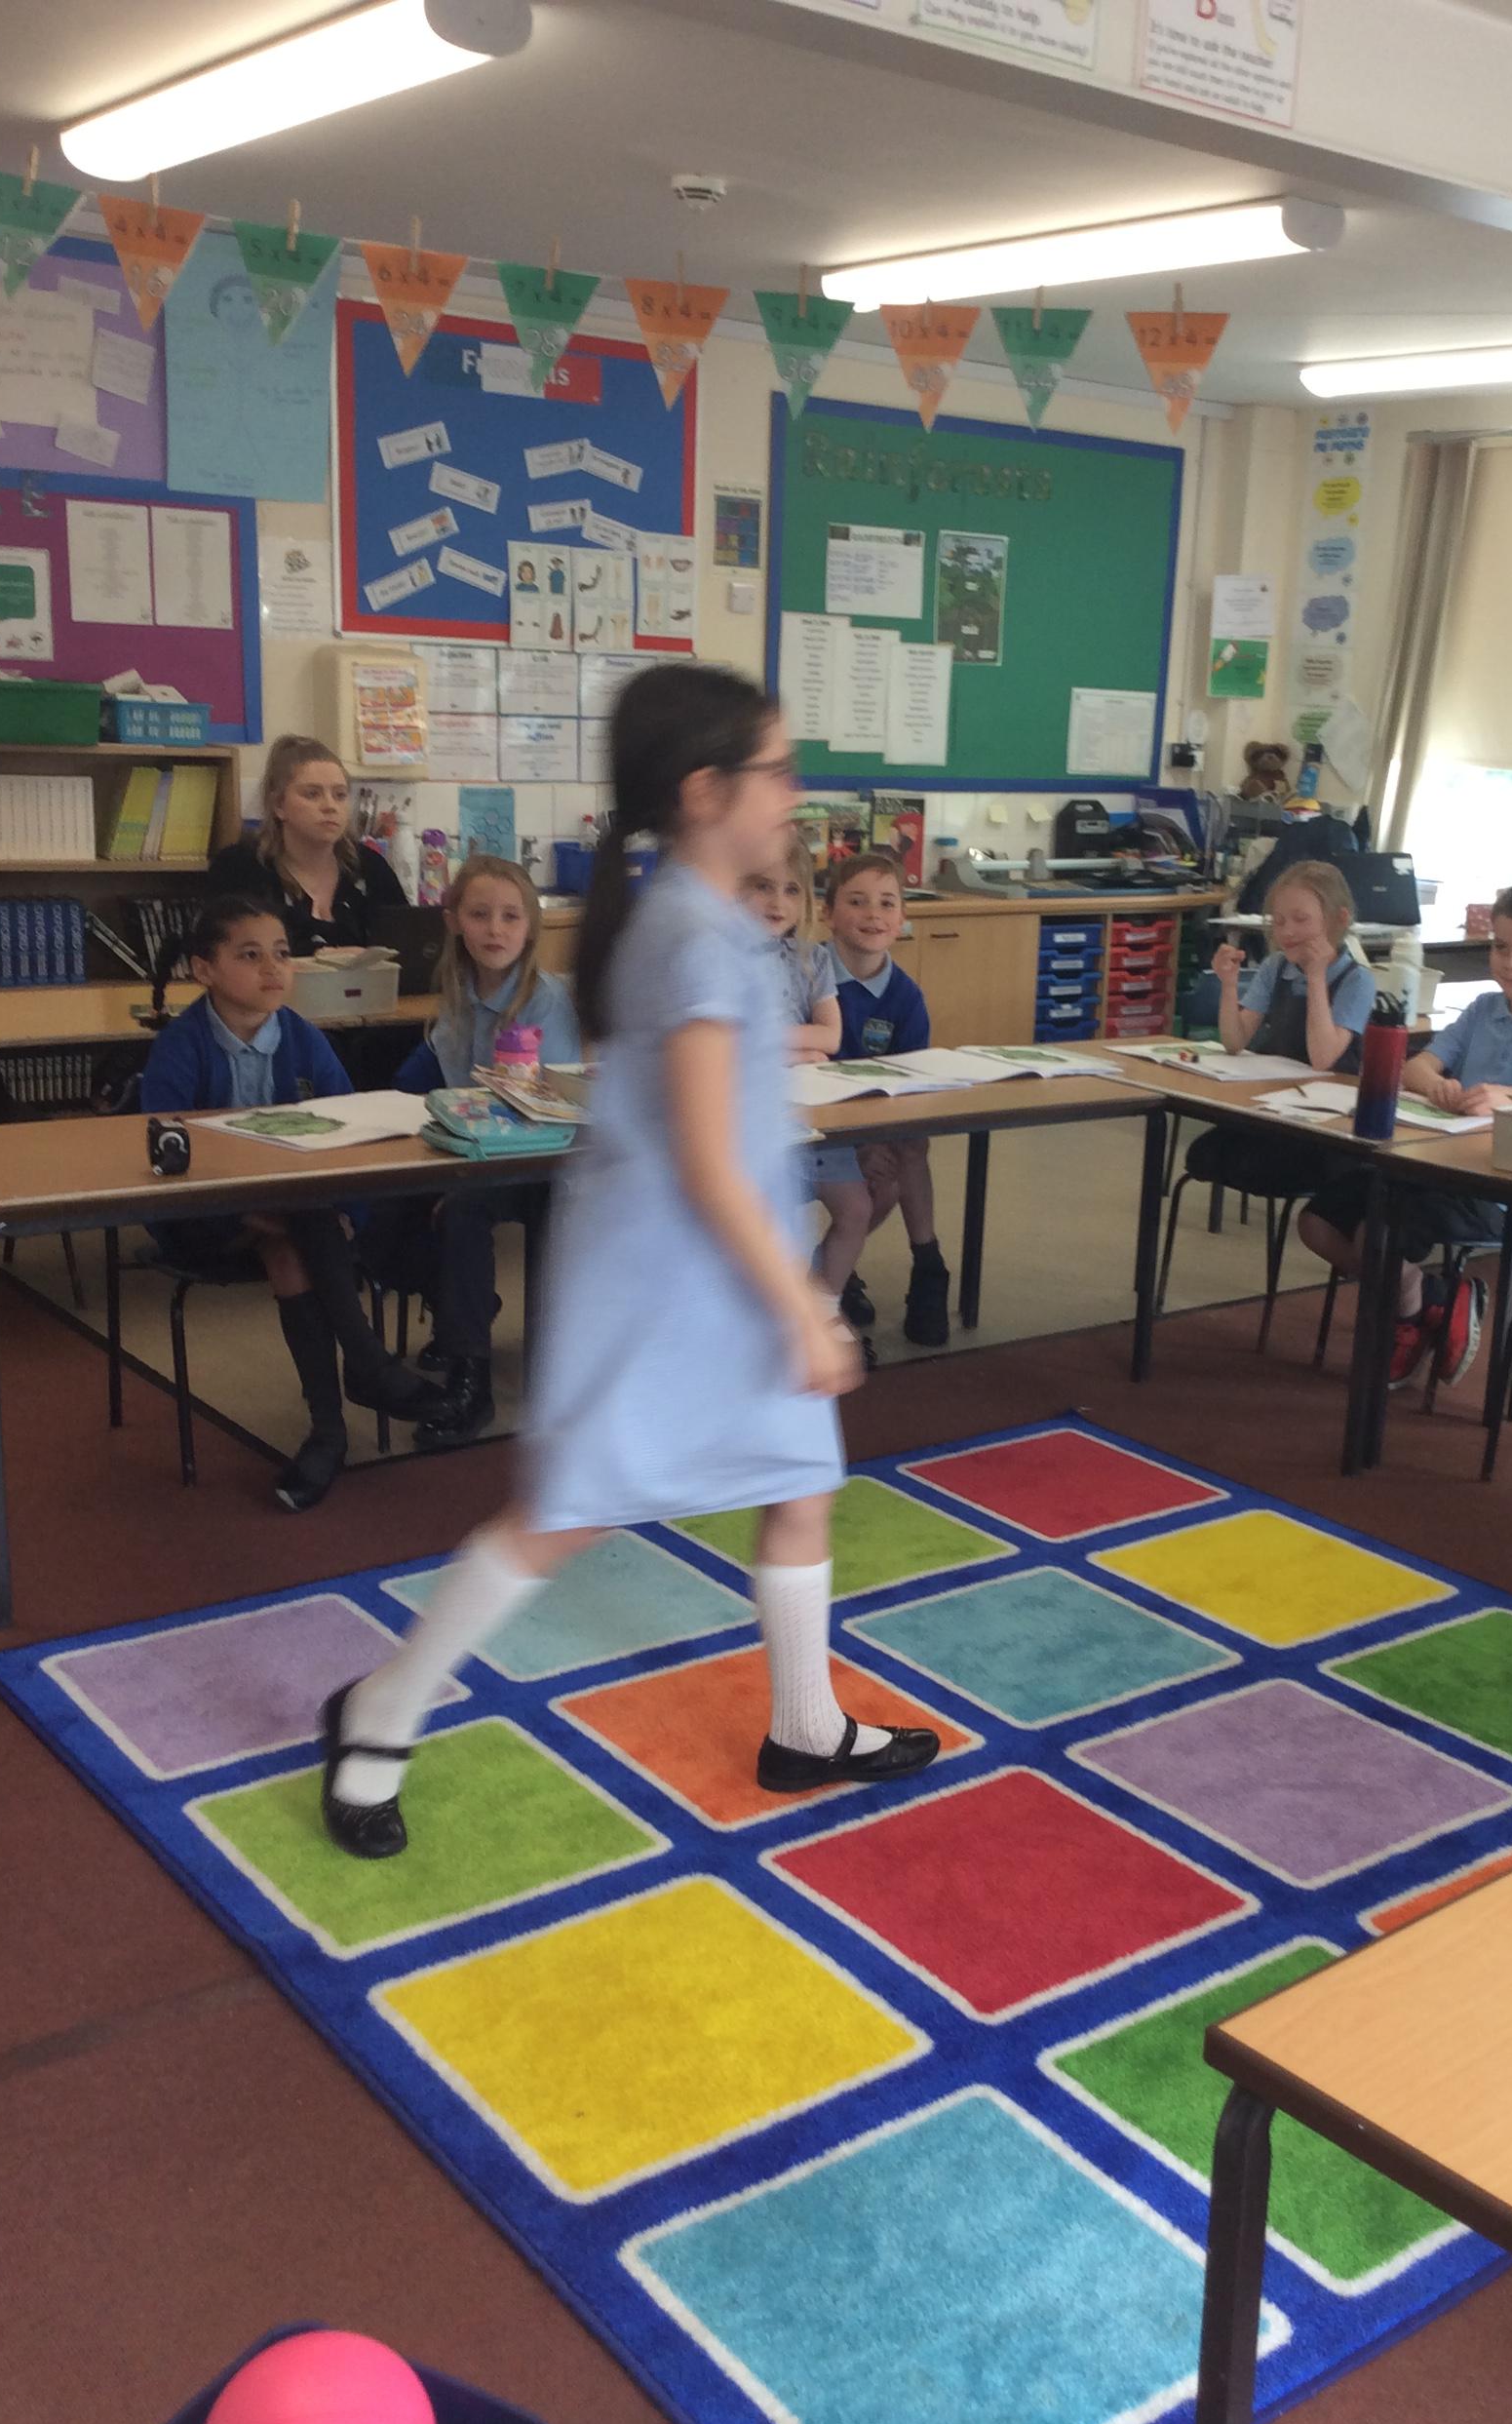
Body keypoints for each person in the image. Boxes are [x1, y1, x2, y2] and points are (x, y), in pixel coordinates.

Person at [317, 666, 939, 1860]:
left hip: (722, 1271)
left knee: (799, 1484)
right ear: (706, 792)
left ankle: (806, 1727)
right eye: (777, 772)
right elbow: (706, 1160)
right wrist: (800, 1306)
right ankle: (380, 1710)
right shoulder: (691, 938)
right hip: (671, 1287)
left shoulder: (704, 922)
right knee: (562, 1514)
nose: (793, 794)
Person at [138, 897, 441, 1513]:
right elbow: (164, 1164)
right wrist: (241, 1212)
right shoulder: (180, 1046)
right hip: (206, 1220)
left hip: (296, 1222)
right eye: (250, 955)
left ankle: (328, 1433)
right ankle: (369, 1365)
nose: (272, 968)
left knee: (297, 1236)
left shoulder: (303, 1039)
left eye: (281, 953)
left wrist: (347, 1213)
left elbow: (352, 1135)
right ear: (205, 969)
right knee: (304, 1217)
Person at [1299, 876, 1512, 1390]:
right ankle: (1430, 1298)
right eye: (1500, 947)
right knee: (1318, 1221)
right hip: (1440, 1163)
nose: (1510, 963)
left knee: (1379, 1230)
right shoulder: (1483, 1010)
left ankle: (1410, 1313)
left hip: (1510, 1189)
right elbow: (1417, 1067)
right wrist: (1438, 1085)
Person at [388, 855, 582, 1450]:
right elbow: (440, 1090)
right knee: (393, 1208)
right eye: (479, 915)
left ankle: (480, 1379)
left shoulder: (549, 1002)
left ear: (530, 928)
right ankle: (464, 1340)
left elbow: (551, 1110)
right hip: (490, 1157)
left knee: (471, 1209)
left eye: (510, 917)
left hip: (557, 1160)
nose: (495, 930)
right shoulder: (456, 1002)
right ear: (453, 922)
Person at [1182, 861, 1376, 1221]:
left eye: (1301, 920)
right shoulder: (1275, 967)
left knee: (1252, 1164)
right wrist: (1229, 985)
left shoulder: (1356, 980)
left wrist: (1316, 977)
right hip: (1275, 1106)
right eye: (1279, 921)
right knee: (1204, 1155)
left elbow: (1323, 1058)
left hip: (1324, 1124)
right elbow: (1235, 1042)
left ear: (1338, 919)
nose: (1287, 932)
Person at [742, 837, 874, 1357]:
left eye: (792, 890)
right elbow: (734, 1044)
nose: (778, 902)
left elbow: (831, 1038)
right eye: (763, 887)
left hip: (812, 1113)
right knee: (774, 1223)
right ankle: (774, 1318)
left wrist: (779, 1045)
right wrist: (801, 1048)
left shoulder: (811, 958)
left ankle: (822, 1304)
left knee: (856, 1208)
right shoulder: (727, 960)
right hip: (758, 1119)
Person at [824, 852, 950, 1349]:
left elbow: (908, 1083)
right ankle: (827, 1279)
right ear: (829, 913)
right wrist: (859, 1142)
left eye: (887, 903)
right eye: (857, 902)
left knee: (904, 1157)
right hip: (815, 1124)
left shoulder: (906, 996)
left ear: (902, 919)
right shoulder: (808, 975)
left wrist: (877, 1139)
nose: (873, 914)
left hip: (874, 1123)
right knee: (875, 1174)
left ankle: (926, 1266)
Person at [207, 734, 407, 955]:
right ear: (279, 805)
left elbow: (409, 949)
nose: (330, 806)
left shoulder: (370, 867)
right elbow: (229, 959)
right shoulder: (240, 868)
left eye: (340, 795)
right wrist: (324, 961)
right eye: (312, 794)